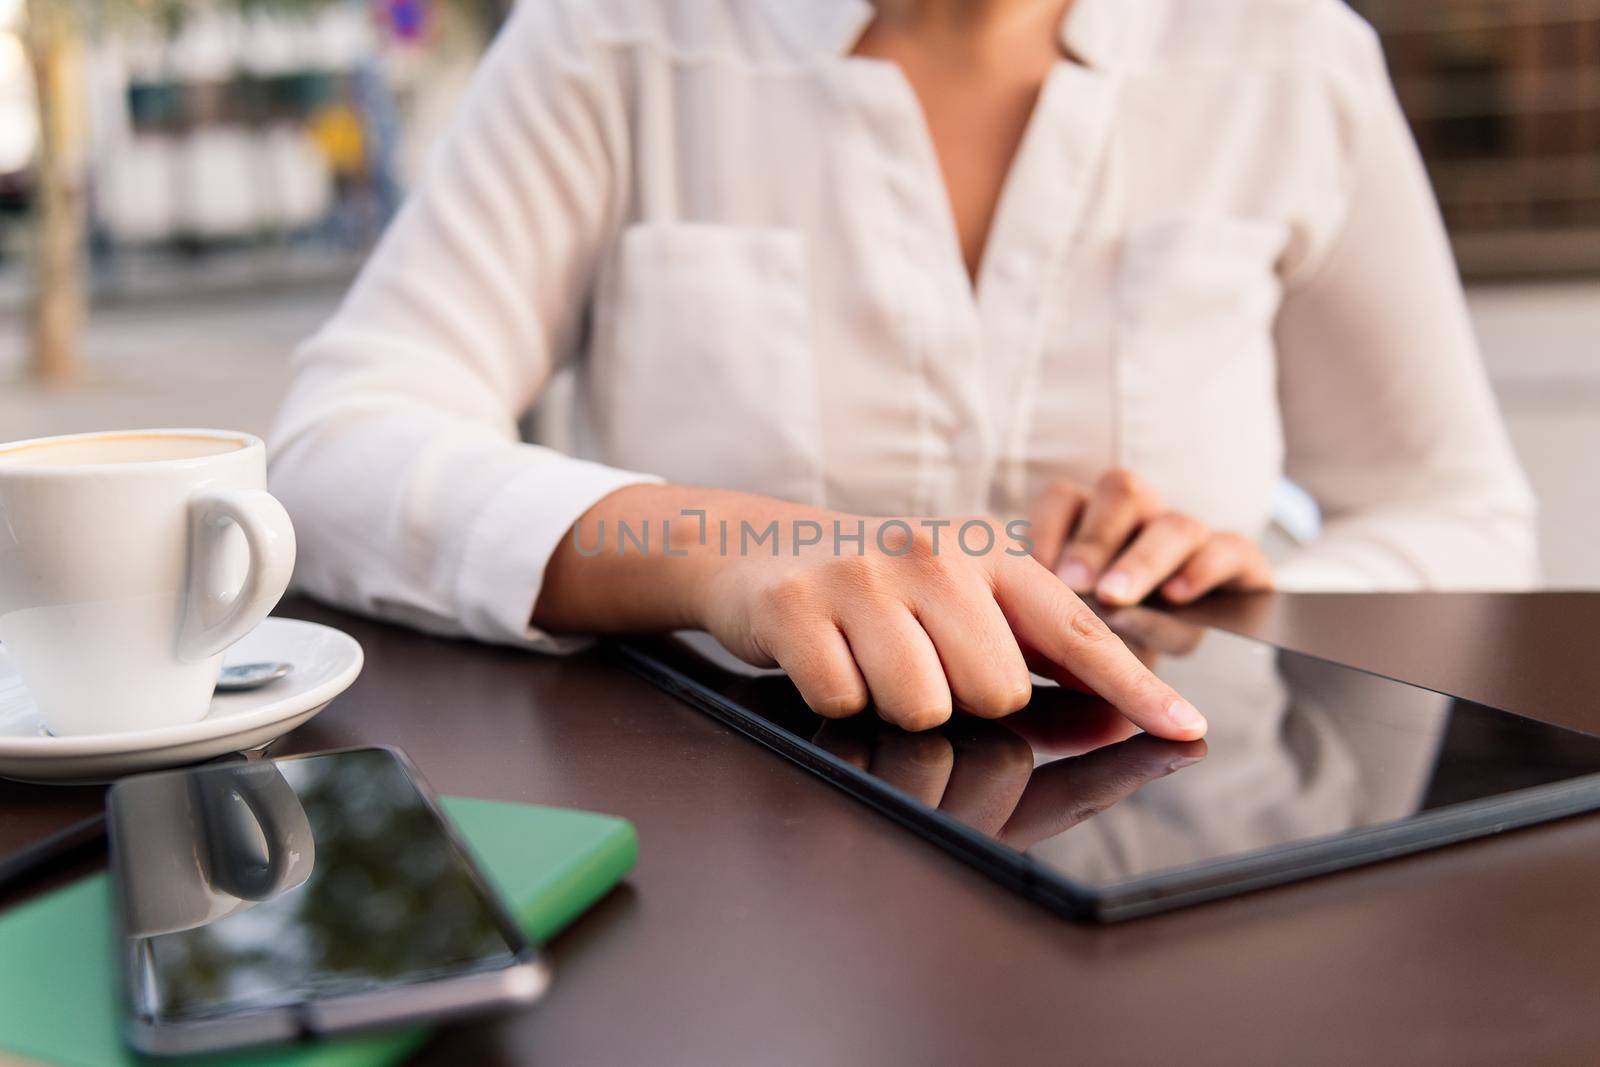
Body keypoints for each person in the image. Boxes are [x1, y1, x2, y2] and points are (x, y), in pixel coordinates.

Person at [268, 0, 1536, 741]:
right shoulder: (617, 38)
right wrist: (723, 544)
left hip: (1186, 837)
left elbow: (1456, 514)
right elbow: (332, 451)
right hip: (736, 864)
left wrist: (1260, 599)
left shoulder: (1290, 54)